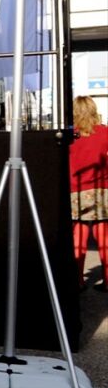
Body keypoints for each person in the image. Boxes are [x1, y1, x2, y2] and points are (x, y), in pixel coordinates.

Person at [69, 95, 108, 289]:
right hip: (102, 189)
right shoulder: (104, 132)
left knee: (79, 236)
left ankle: (78, 281)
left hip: (76, 190)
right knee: (104, 236)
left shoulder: (70, 135)